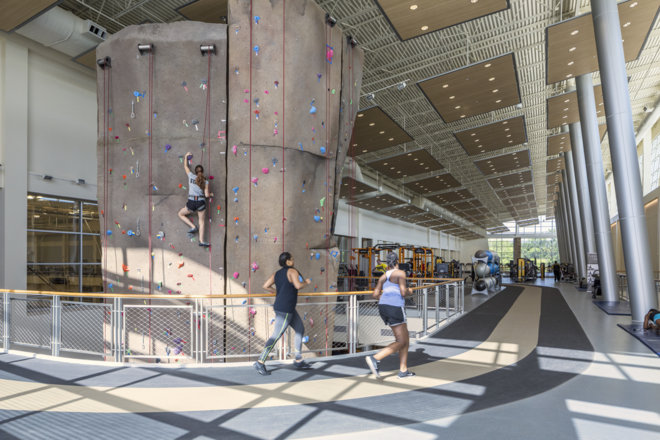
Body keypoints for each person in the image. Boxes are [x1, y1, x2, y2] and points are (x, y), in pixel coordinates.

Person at [254, 252, 313, 375]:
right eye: (292, 259)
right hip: (285, 309)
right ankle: (260, 362)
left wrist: (278, 292)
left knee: (299, 329)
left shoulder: (277, 273)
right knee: (276, 335)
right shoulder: (292, 271)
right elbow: (297, 285)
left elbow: (265, 286)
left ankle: (298, 359)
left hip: (286, 308)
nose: (293, 260)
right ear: (287, 261)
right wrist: (306, 282)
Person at [365, 252, 415, 379]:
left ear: (387, 264)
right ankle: (375, 358)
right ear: (397, 262)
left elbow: (375, 295)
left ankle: (403, 370)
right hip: (395, 307)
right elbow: (403, 292)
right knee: (401, 340)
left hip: (383, 307)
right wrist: (410, 291)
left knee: (405, 338)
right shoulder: (400, 273)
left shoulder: (383, 276)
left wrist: (386, 298)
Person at [177, 152, 213, 247]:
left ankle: (193, 226)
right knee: (202, 221)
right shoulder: (206, 182)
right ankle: (201, 241)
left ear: (195, 172)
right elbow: (206, 195)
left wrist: (185, 157)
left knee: (180, 214)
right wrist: (210, 194)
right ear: (202, 172)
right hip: (201, 202)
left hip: (192, 202)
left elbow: (185, 166)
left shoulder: (191, 176)